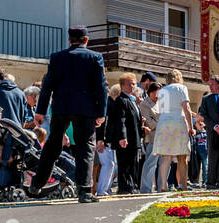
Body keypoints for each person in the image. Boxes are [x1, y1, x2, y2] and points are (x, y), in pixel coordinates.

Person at [29, 26, 108, 203]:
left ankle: (36, 185)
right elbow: (101, 88)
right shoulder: (95, 57)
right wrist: (101, 112)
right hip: (85, 109)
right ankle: (84, 190)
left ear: (69, 40)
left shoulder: (57, 57)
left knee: (51, 146)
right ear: (86, 40)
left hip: (61, 108)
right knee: (85, 148)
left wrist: (40, 111)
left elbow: (47, 85)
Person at [153, 68, 194, 191]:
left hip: (164, 123)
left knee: (166, 157)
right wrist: (190, 126)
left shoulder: (162, 91)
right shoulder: (181, 88)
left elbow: (160, 110)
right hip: (177, 121)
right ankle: (184, 186)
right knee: (182, 156)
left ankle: (163, 184)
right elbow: (186, 107)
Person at [107, 73, 142, 194]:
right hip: (126, 140)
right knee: (125, 165)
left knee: (134, 164)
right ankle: (126, 188)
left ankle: (133, 186)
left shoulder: (133, 100)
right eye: (130, 84)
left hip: (135, 138)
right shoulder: (121, 100)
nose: (133, 86)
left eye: (134, 83)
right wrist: (122, 137)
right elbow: (120, 120)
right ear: (122, 86)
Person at [198, 78, 219, 188]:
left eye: (212, 84)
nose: (210, 86)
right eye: (209, 84)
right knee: (213, 158)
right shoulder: (206, 99)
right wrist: (214, 126)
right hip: (212, 132)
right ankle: (211, 183)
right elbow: (203, 115)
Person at [94, 84, 120, 196]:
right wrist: (100, 139)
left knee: (111, 164)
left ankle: (106, 189)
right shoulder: (106, 104)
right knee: (108, 164)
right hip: (102, 139)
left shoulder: (109, 104)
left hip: (107, 139)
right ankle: (102, 190)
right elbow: (102, 123)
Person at [138, 82, 161, 192]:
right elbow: (148, 122)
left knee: (163, 163)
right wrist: (163, 125)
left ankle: (162, 186)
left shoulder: (160, 103)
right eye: (157, 92)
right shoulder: (145, 103)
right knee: (150, 163)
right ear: (151, 92)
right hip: (152, 137)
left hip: (163, 137)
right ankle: (145, 188)